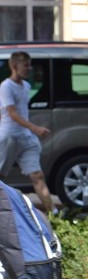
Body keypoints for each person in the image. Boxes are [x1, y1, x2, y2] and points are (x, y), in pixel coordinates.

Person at [0, 51, 56, 215]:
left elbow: (21, 112)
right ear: (15, 66)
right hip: (8, 137)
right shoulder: (6, 87)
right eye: (26, 65)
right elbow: (12, 113)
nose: (29, 69)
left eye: (30, 65)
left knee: (37, 175)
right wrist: (35, 128)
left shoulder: (26, 86)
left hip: (26, 138)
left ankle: (53, 213)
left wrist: (30, 130)